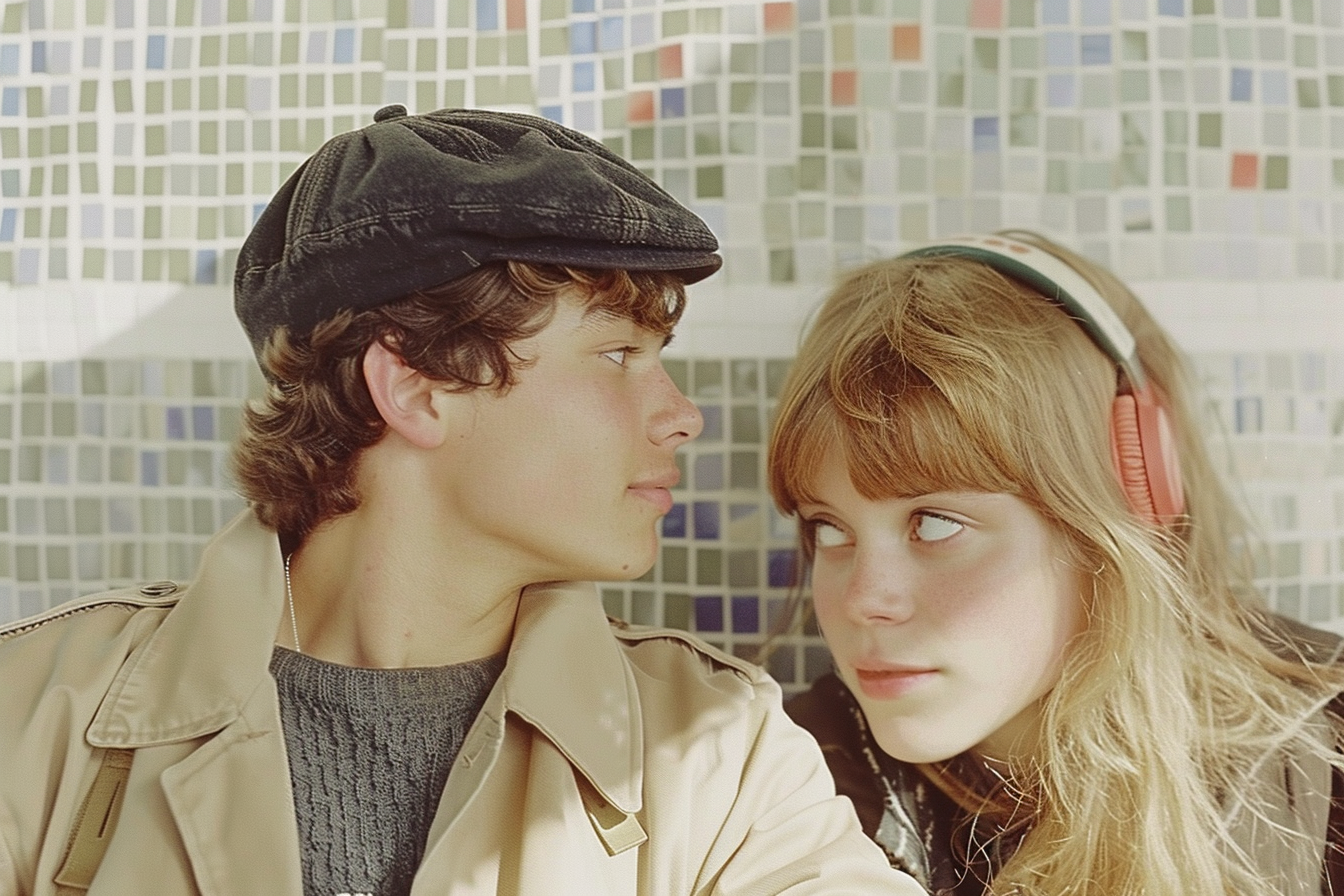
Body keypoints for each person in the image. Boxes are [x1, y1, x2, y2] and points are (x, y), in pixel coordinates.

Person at [0, 107, 923, 896]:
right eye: (617, 355)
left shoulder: (720, 752)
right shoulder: (35, 713)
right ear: (418, 388)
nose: (682, 417)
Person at [766, 230, 1344, 896]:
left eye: (934, 522)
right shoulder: (791, 773)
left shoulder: (1323, 753)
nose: (865, 598)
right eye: (829, 528)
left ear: (1128, 502)